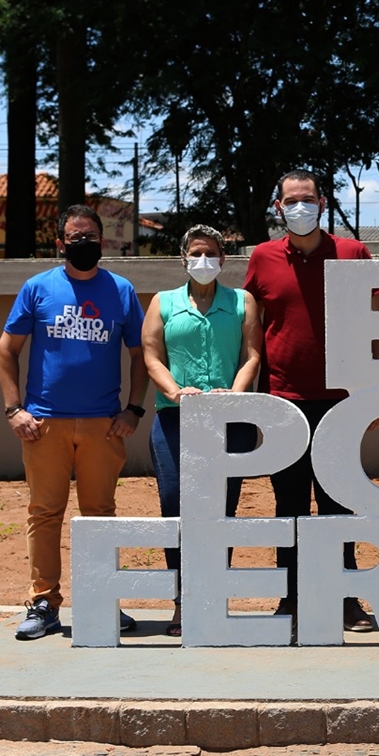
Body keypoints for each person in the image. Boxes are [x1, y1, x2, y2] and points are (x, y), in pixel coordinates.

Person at [244, 169, 379, 634]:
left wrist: (374, 392)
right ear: (278, 207)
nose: (300, 207)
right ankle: (291, 597)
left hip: (340, 402)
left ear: (323, 203)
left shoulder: (353, 253)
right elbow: (250, 330)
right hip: (282, 400)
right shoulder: (262, 258)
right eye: (291, 200)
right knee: (288, 503)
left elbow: (378, 324)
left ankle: (346, 600)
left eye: (308, 198)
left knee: (338, 504)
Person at [0, 204, 147, 640]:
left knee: (100, 515)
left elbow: (140, 355)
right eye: (76, 237)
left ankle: (102, 599)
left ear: (103, 241)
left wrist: (133, 409)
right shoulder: (38, 288)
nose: (84, 243)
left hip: (104, 425)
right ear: (60, 243)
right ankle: (44, 603)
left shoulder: (121, 290)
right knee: (45, 513)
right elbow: (7, 349)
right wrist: (14, 409)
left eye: (91, 237)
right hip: (44, 424)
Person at [142, 224, 262, 637]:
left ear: (223, 259)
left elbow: (252, 355)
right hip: (175, 419)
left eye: (211, 253)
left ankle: (213, 598)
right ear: (183, 258)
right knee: (175, 508)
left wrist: (234, 394)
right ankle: (181, 602)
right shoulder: (163, 302)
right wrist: (175, 392)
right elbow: (152, 355)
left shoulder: (242, 301)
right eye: (195, 253)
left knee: (222, 510)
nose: (203, 260)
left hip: (228, 420)